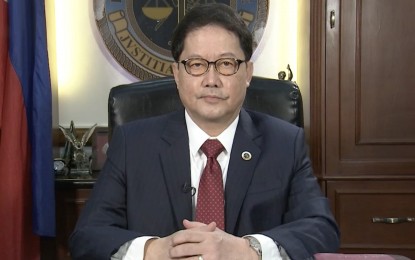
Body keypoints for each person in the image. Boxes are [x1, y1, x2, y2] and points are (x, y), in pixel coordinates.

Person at [69, 3, 340, 260]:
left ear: (247, 73)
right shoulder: (133, 144)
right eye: (196, 64)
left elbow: (321, 231)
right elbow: (88, 237)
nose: (211, 80)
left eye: (226, 64)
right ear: (177, 73)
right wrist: (153, 250)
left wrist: (248, 250)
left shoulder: (284, 143)